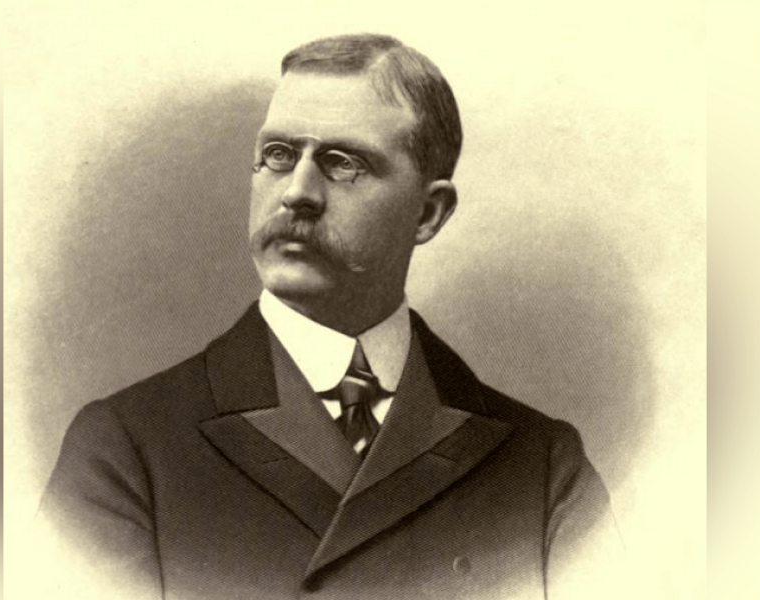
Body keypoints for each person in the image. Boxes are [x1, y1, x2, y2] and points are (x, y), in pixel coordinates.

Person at [38, 33, 623, 600]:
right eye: (278, 154)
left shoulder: (544, 468)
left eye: (343, 162)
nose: (297, 192)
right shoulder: (124, 450)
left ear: (428, 213)